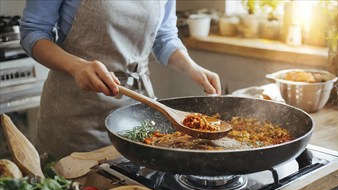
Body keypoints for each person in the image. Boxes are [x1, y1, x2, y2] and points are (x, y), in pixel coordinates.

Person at [20, 0, 222, 159]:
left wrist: (193, 68)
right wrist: (76, 66)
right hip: (74, 113)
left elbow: (164, 36)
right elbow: (33, 32)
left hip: (138, 113)